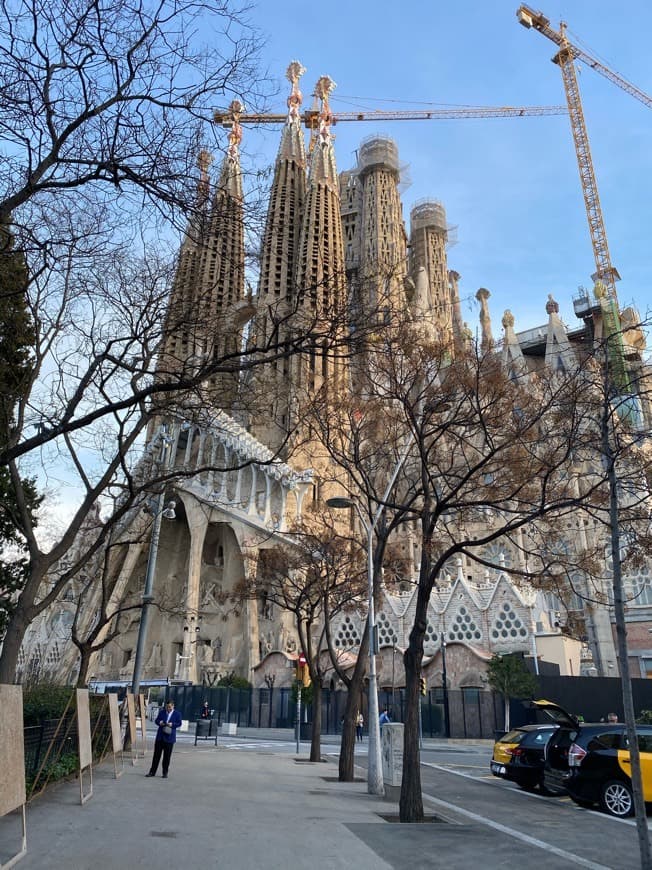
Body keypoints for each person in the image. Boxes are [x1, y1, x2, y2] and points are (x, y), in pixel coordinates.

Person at [146, 700, 182, 779]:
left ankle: (165, 772)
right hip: (160, 737)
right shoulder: (162, 712)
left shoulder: (177, 714)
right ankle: (152, 772)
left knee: (167, 757)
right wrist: (160, 722)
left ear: (173, 706)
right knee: (156, 756)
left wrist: (172, 724)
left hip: (169, 738)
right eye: (167, 707)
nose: (168, 709)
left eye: (169, 707)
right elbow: (156, 720)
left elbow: (179, 723)